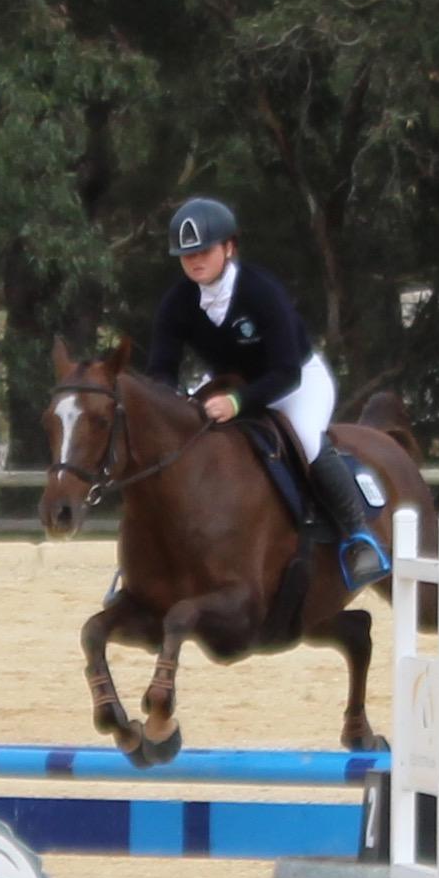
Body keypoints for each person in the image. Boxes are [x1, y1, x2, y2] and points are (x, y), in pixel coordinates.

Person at [145, 196, 388, 591]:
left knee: (307, 440)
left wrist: (238, 403)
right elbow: (161, 370)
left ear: (229, 247)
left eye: (204, 251)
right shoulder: (177, 302)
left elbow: (285, 372)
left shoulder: (261, 291)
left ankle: (358, 536)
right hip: (229, 385)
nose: (194, 261)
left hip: (295, 383)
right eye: (186, 254)